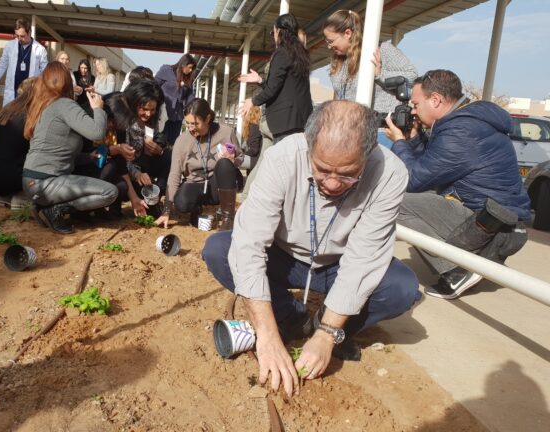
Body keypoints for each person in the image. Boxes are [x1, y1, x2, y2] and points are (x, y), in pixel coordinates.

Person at [202, 100, 420, 398]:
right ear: (309, 144)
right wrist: (266, 336)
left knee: (401, 287)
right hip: (284, 257)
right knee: (219, 250)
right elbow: (249, 244)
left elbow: (364, 260)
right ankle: (291, 317)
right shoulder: (282, 158)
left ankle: (325, 327)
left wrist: (327, 335)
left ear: (368, 155)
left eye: (346, 174)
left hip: (338, 265)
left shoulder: (390, 174)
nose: (331, 183)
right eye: (322, 169)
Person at [386, 69, 531, 299]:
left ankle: (457, 270)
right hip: (497, 218)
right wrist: (413, 139)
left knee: (392, 202)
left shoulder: (460, 130)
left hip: (494, 225)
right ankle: (472, 258)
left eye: (415, 104)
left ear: (435, 100)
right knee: (417, 198)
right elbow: (433, 167)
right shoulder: (465, 121)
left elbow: (413, 180)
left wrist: (400, 143)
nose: (412, 111)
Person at [22, 62, 117, 234]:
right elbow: (97, 133)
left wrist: (89, 157)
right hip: (46, 182)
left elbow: (58, 152)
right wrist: (98, 109)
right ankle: (55, 210)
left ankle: (46, 205)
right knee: (109, 192)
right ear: (67, 82)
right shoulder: (64, 104)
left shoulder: (43, 105)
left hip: (32, 181)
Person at [323, 9, 416, 147]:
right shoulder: (338, 61)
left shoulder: (381, 49)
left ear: (348, 33)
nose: (329, 45)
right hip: (352, 131)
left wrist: (380, 75)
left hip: (381, 132)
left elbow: (412, 75)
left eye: (331, 41)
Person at [155, 99, 244, 230]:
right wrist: (167, 210)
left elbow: (240, 157)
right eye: (188, 123)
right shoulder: (181, 141)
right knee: (181, 203)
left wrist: (232, 160)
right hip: (195, 184)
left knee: (224, 163)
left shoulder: (226, 132)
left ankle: (227, 218)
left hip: (218, 185)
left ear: (207, 119)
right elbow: (174, 174)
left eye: (195, 123)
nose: (191, 128)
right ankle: (196, 209)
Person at [238, 13, 313, 141]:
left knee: (282, 159)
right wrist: (260, 80)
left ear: (279, 31)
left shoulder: (282, 52)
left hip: (285, 121)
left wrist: (253, 101)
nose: (274, 37)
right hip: (301, 119)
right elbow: (285, 86)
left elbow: (273, 88)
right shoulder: (301, 54)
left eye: (273, 33)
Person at [106, 79, 170, 217]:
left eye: (152, 110)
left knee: (168, 155)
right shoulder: (124, 120)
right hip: (126, 168)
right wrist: (137, 174)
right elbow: (123, 160)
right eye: (144, 109)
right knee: (122, 183)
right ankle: (117, 205)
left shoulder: (152, 120)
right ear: (135, 104)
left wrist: (159, 149)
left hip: (140, 165)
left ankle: (156, 193)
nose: (148, 114)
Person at [0, 78, 35, 209]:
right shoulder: (31, 115)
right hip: (11, 176)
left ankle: (1, 195)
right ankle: (22, 196)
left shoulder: (6, 110)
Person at [0, 18, 48, 107]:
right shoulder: (10, 45)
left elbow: (46, 72)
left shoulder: (40, 49)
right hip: (12, 93)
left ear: (29, 33)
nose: (19, 38)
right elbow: (2, 65)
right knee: (9, 118)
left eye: (22, 36)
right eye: (17, 35)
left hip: (30, 94)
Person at [155, 54, 196, 145]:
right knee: (159, 140)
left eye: (192, 68)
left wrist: (193, 108)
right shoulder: (166, 70)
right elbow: (154, 86)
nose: (191, 70)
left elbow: (190, 96)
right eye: (189, 67)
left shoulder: (188, 79)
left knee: (172, 143)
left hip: (177, 116)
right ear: (183, 64)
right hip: (163, 113)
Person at [241, 105, 263, 172]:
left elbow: (254, 150)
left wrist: (241, 155)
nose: (242, 114)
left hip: (257, 160)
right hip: (254, 158)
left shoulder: (254, 127)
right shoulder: (252, 127)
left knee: (233, 160)